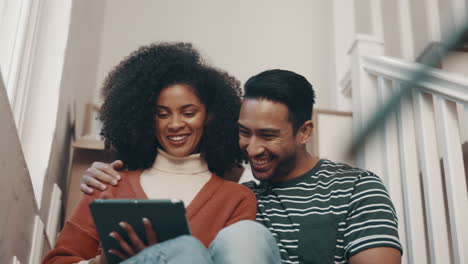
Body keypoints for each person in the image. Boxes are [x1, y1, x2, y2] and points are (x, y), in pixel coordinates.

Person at [82, 69, 403, 263]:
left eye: (268, 135)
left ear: (304, 131)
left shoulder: (355, 187)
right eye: (244, 133)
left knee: (244, 236)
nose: (252, 148)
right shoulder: (238, 196)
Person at [43, 43, 281, 264]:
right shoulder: (109, 183)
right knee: (186, 249)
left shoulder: (236, 198)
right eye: (163, 114)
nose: (175, 124)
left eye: (188, 113)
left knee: (206, 246)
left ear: (210, 116)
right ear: (147, 118)